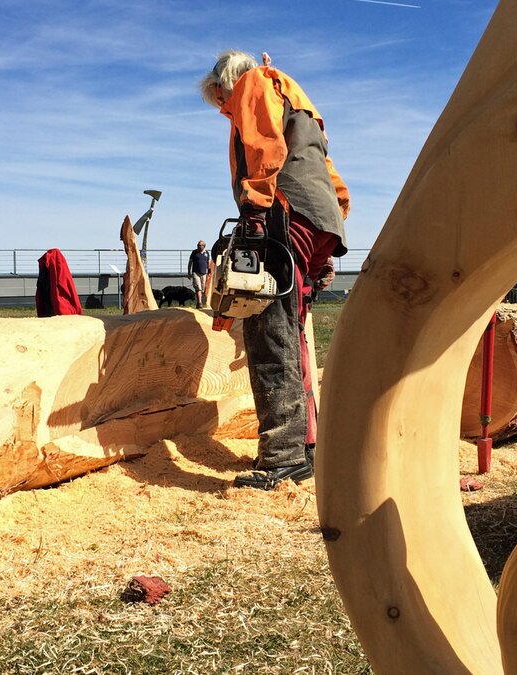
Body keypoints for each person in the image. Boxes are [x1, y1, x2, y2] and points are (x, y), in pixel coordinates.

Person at [201, 50, 350, 490]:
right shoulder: (296, 97)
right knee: (292, 331)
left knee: (267, 329)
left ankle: (282, 458)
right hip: (319, 218)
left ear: (224, 82)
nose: (222, 106)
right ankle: (306, 447)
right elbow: (328, 171)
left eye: (219, 97)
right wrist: (326, 237)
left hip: (285, 212)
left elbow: (263, 146)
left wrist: (254, 209)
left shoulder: (254, 84)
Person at [188, 240, 211, 308]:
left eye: (200, 245)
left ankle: (202, 302)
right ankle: (199, 303)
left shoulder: (207, 253)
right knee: (198, 288)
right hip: (195, 272)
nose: (198, 246)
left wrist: (209, 272)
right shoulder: (194, 252)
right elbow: (190, 262)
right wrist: (189, 272)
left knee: (203, 289)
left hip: (204, 273)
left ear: (204, 246)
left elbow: (208, 263)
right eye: (198, 245)